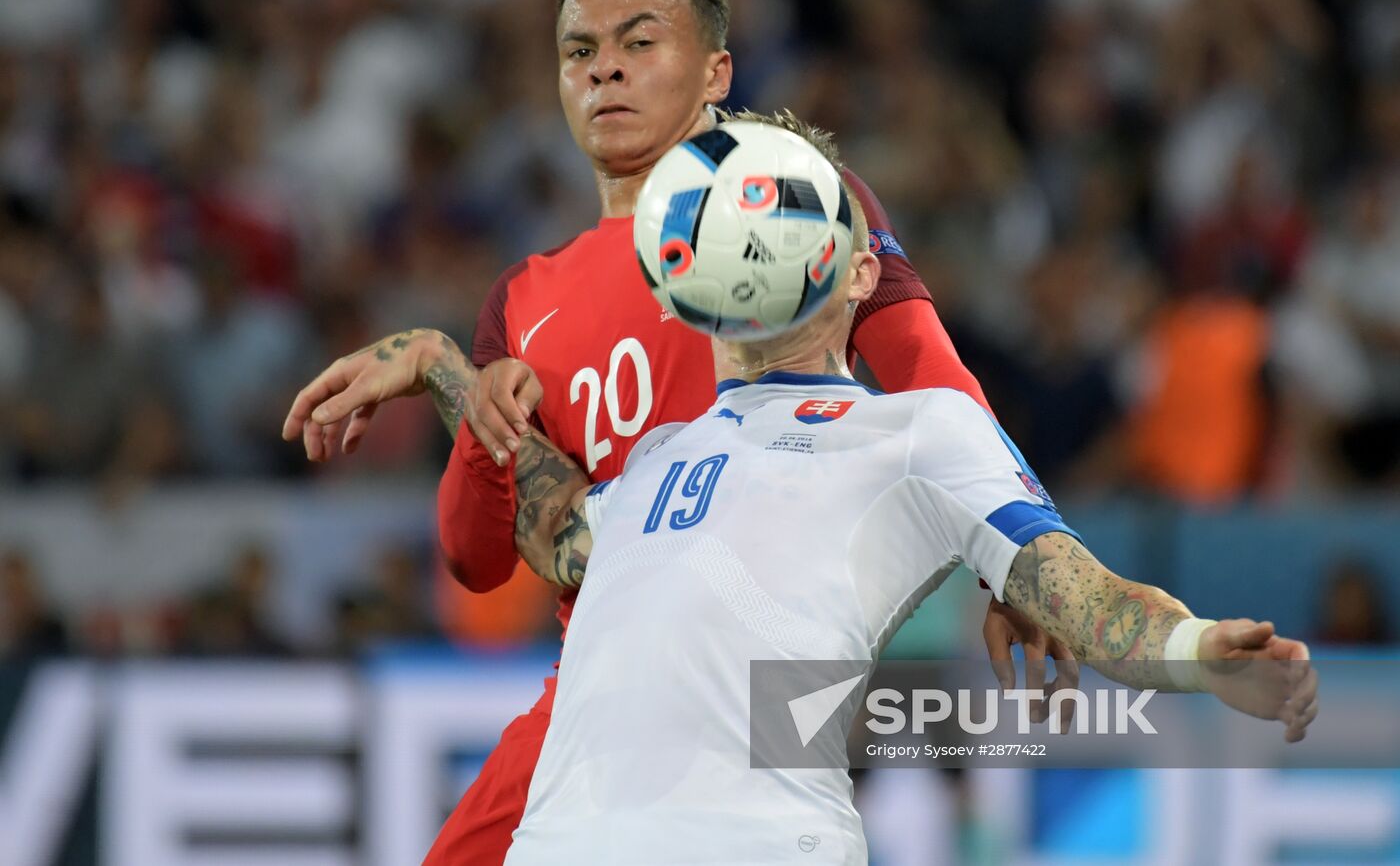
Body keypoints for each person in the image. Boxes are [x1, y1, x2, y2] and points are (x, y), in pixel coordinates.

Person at [282, 0, 1073, 863]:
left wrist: (1013, 557)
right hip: (600, 695)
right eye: (580, 51)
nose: (605, 66)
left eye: (639, 40)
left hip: (773, 657)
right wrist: (463, 398)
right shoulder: (523, 298)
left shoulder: (794, 199)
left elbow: (928, 370)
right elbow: (473, 559)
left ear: (716, 72)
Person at [502, 157, 1318, 863]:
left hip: (751, 847)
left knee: (939, 762)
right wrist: (451, 375)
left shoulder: (920, 429)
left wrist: (1198, 652)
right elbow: (556, 540)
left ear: (859, 273)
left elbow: (1091, 599)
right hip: (555, 848)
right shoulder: (656, 457)